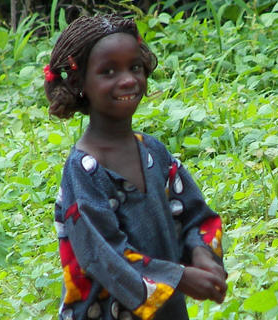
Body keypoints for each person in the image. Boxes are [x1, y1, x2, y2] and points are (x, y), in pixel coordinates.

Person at [44, 14, 227, 320]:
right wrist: (180, 277)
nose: (128, 79)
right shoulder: (83, 171)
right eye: (109, 71)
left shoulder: (153, 152)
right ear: (78, 82)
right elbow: (103, 257)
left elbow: (195, 215)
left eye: (135, 67)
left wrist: (202, 255)